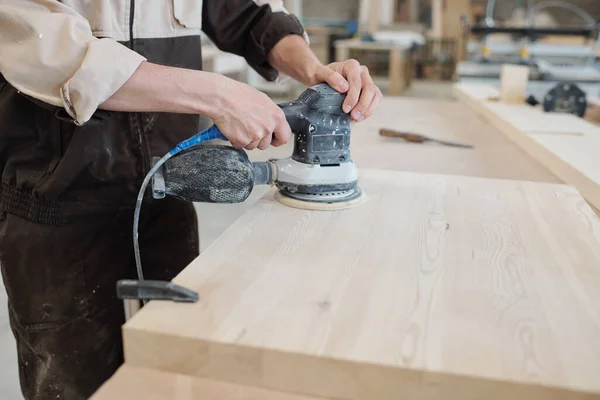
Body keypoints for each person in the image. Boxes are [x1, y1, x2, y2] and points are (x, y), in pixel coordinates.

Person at [0, 1, 382, 399]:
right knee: (79, 386)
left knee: (180, 376)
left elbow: (249, 15)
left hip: (169, 194)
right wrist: (217, 95)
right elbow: (48, 50)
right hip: (58, 210)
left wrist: (315, 71)